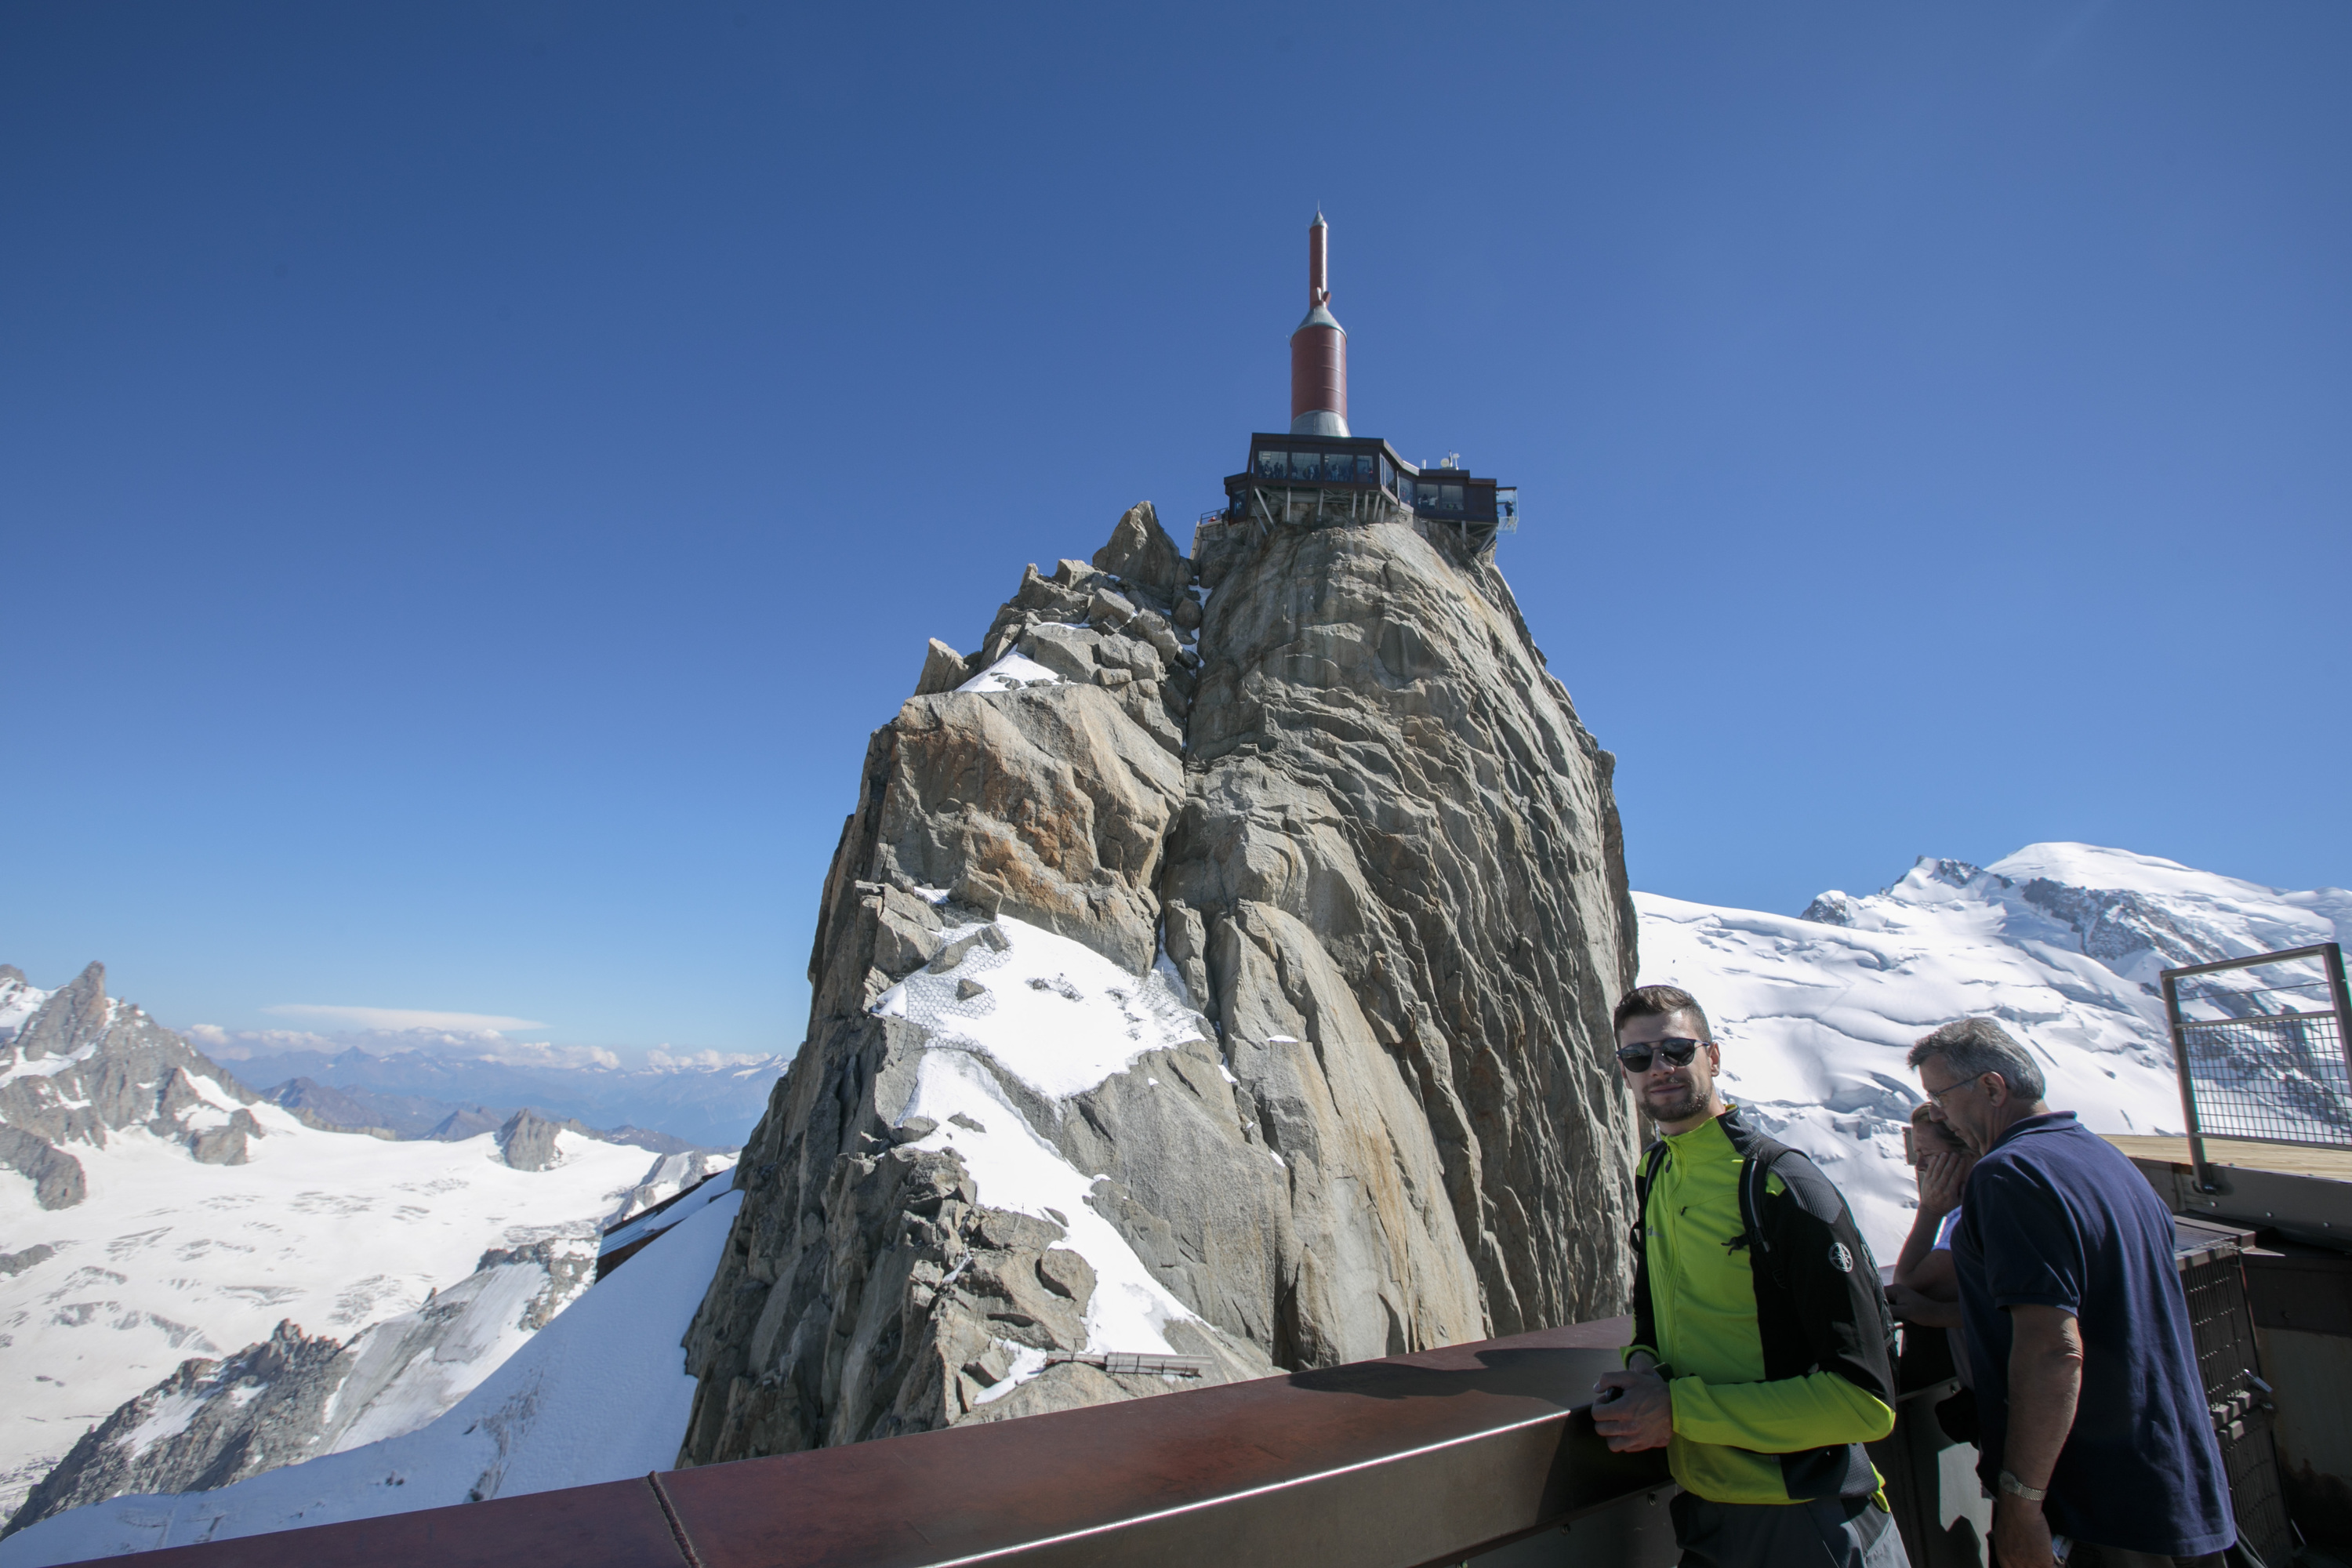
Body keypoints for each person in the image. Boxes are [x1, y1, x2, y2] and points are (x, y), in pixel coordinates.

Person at [1592, 985, 1909, 1568]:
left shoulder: (1780, 1185)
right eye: (1638, 1058)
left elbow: (1865, 1402)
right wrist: (1643, 1365)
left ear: (1712, 1058)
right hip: (1711, 1516)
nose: (1658, 1069)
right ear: (1623, 1072)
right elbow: (1656, 1314)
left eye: (1675, 1051)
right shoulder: (1658, 1170)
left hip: (1810, 1520)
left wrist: (1677, 1411)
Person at [1910, 1018, 2235, 1568]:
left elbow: (2053, 1351)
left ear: (1992, 1088)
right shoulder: (2104, 1160)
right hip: (2166, 1475)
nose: (1938, 1115)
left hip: (2094, 1499)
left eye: (1940, 1097)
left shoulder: (2010, 1175)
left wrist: (2022, 1506)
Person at [1886, 1103, 1976, 1388]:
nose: (1921, 1165)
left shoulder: (1972, 1215)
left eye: (1929, 1154)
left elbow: (1910, 1286)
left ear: (1967, 1154)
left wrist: (1930, 1210)